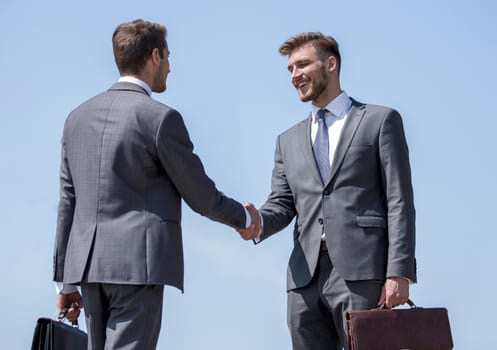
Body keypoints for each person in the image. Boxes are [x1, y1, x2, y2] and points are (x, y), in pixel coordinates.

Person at [53, 19, 260, 350]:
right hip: (139, 265)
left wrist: (64, 283)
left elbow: (68, 202)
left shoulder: (76, 118)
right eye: (168, 57)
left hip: (88, 268)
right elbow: (200, 195)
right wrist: (246, 219)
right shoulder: (160, 118)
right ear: (154, 56)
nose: (169, 67)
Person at [238, 32, 416, 349]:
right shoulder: (287, 140)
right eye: (290, 69)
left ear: (330, 64)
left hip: (363, 272)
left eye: (302, 64)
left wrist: (399, 272)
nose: (295, 75)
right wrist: (258, 222)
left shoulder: (379, 121)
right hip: (303, 279)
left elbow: (399, 201)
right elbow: (282, 203)